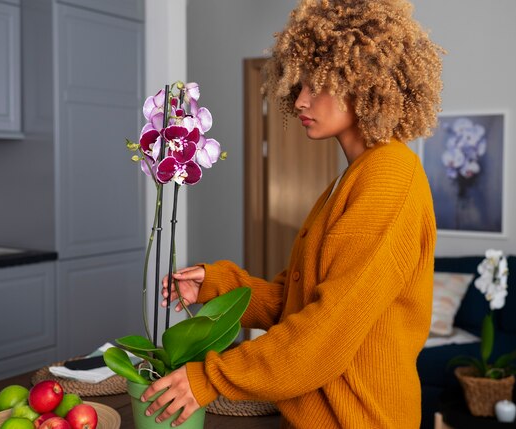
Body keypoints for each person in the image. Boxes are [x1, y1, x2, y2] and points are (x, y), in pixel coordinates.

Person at [142, 0, 443, 427]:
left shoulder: (390, 177)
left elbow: (326, 333)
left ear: (363, 80)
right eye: (298, 84)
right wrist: (221, 284)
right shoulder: (353, 178)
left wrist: (209, 378)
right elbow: (297, 303)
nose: (300, 100)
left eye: (316, 85)